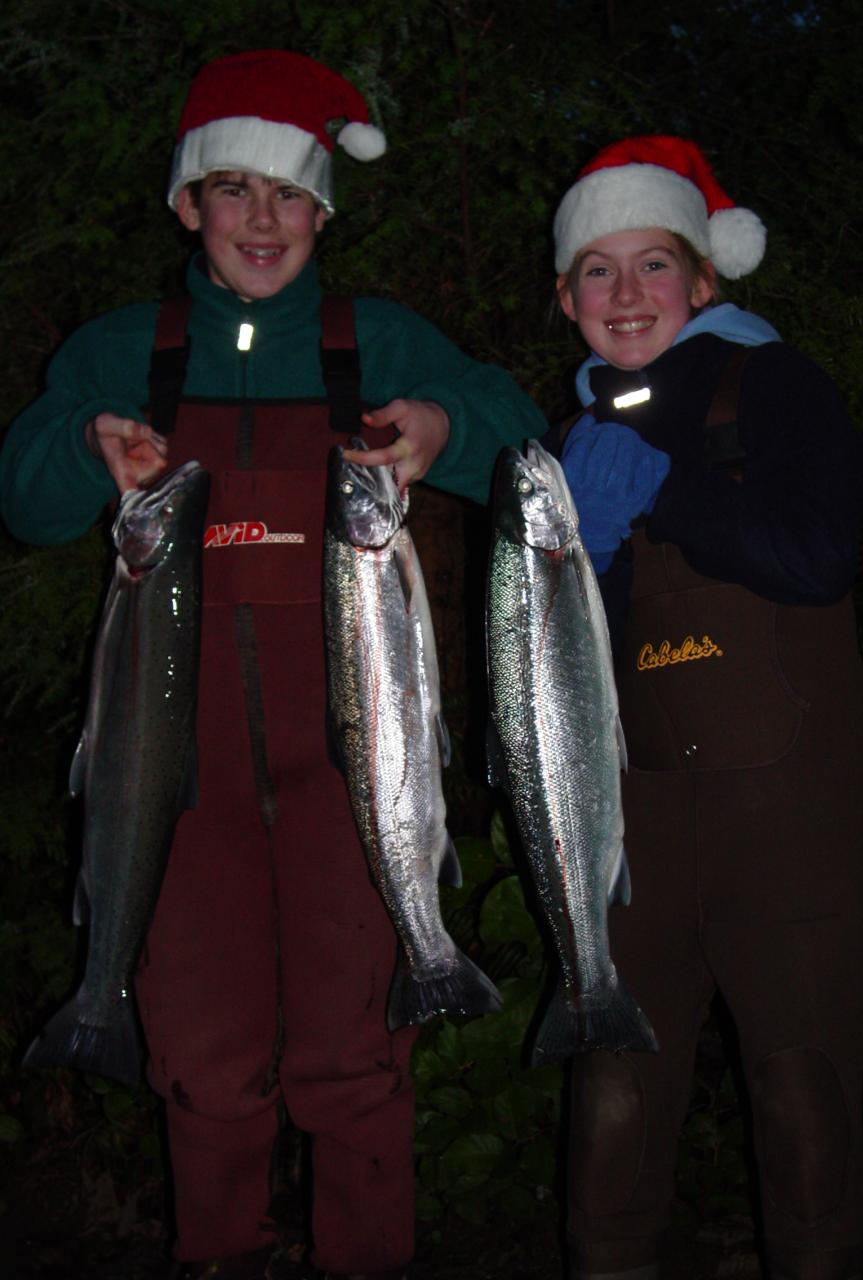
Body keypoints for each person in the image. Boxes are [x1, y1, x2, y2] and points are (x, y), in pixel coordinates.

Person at [0, 49, 546, 1280]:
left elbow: (524, 443)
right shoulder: (124, 351)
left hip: (355, 772)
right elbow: (23, 500)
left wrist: (448, 428)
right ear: (186, 202)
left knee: (357, 1057)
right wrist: (88, 448)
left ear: (323, 212)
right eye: (233, 188)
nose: (261, 218)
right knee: (199, 1058)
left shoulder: (378, 340)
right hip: (171, 784)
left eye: (289, 194)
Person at [548, 137, 863, 1280]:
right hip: (627, 821)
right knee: (613, 1105)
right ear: (565, 295)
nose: (626, 294)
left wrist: (674, 494)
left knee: (804, 1094)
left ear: (703, 279)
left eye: (653, 265)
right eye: (598, 269)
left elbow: (819, 551)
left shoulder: (771, 384)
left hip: (782, 823)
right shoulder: (567, 444)